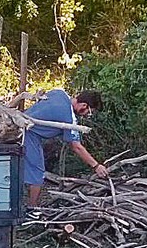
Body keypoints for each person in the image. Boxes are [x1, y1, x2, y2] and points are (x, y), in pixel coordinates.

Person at [22, 89, 108, 221]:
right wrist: (96, 166)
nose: (85, 115)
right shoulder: (69, 118)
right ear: (84, 105)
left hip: (20, 122)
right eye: (88, 113)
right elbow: (76, 146)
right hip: (29, 134)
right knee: (37, 172)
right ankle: (32, 210)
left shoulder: (59, 93)